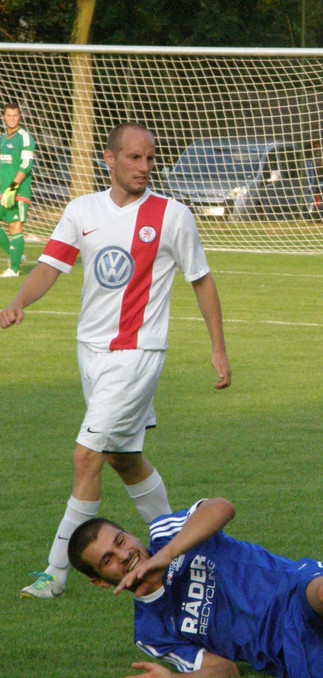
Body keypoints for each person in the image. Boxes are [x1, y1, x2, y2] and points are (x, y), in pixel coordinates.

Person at [3, 122, 232, 599]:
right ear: (109, 159)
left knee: (85, 456)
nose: (144, 167)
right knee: (122, 458)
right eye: (134, 157)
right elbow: (51, 264)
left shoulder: (172, 215)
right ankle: (183, 547)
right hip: (89, 350)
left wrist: (218, 348)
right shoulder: (82, 210)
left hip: (137, 355)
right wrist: (19, 300)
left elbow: (201, 279)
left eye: (150, 158)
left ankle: (55, 574)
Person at [67, 497, 323, 678]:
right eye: (108, 560)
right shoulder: (151, 632)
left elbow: (221, 508)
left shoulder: (166, 534)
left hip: (293, 591)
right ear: (100, 581)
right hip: (286, 651)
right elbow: (224, 671)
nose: (124, 555)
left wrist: (168, 554)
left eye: (120, 541)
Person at [0, 101, 35, 277]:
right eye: (9, 116)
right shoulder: (2, 139)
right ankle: (17, 255)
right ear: (4, 117)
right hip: (2, 191)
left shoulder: (25, 137)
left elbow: (26, 165)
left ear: (19, 117)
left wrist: (13, 188)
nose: (12, 119)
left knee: (15, 227)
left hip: (18, 191)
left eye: (15, 116)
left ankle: (13, 269)